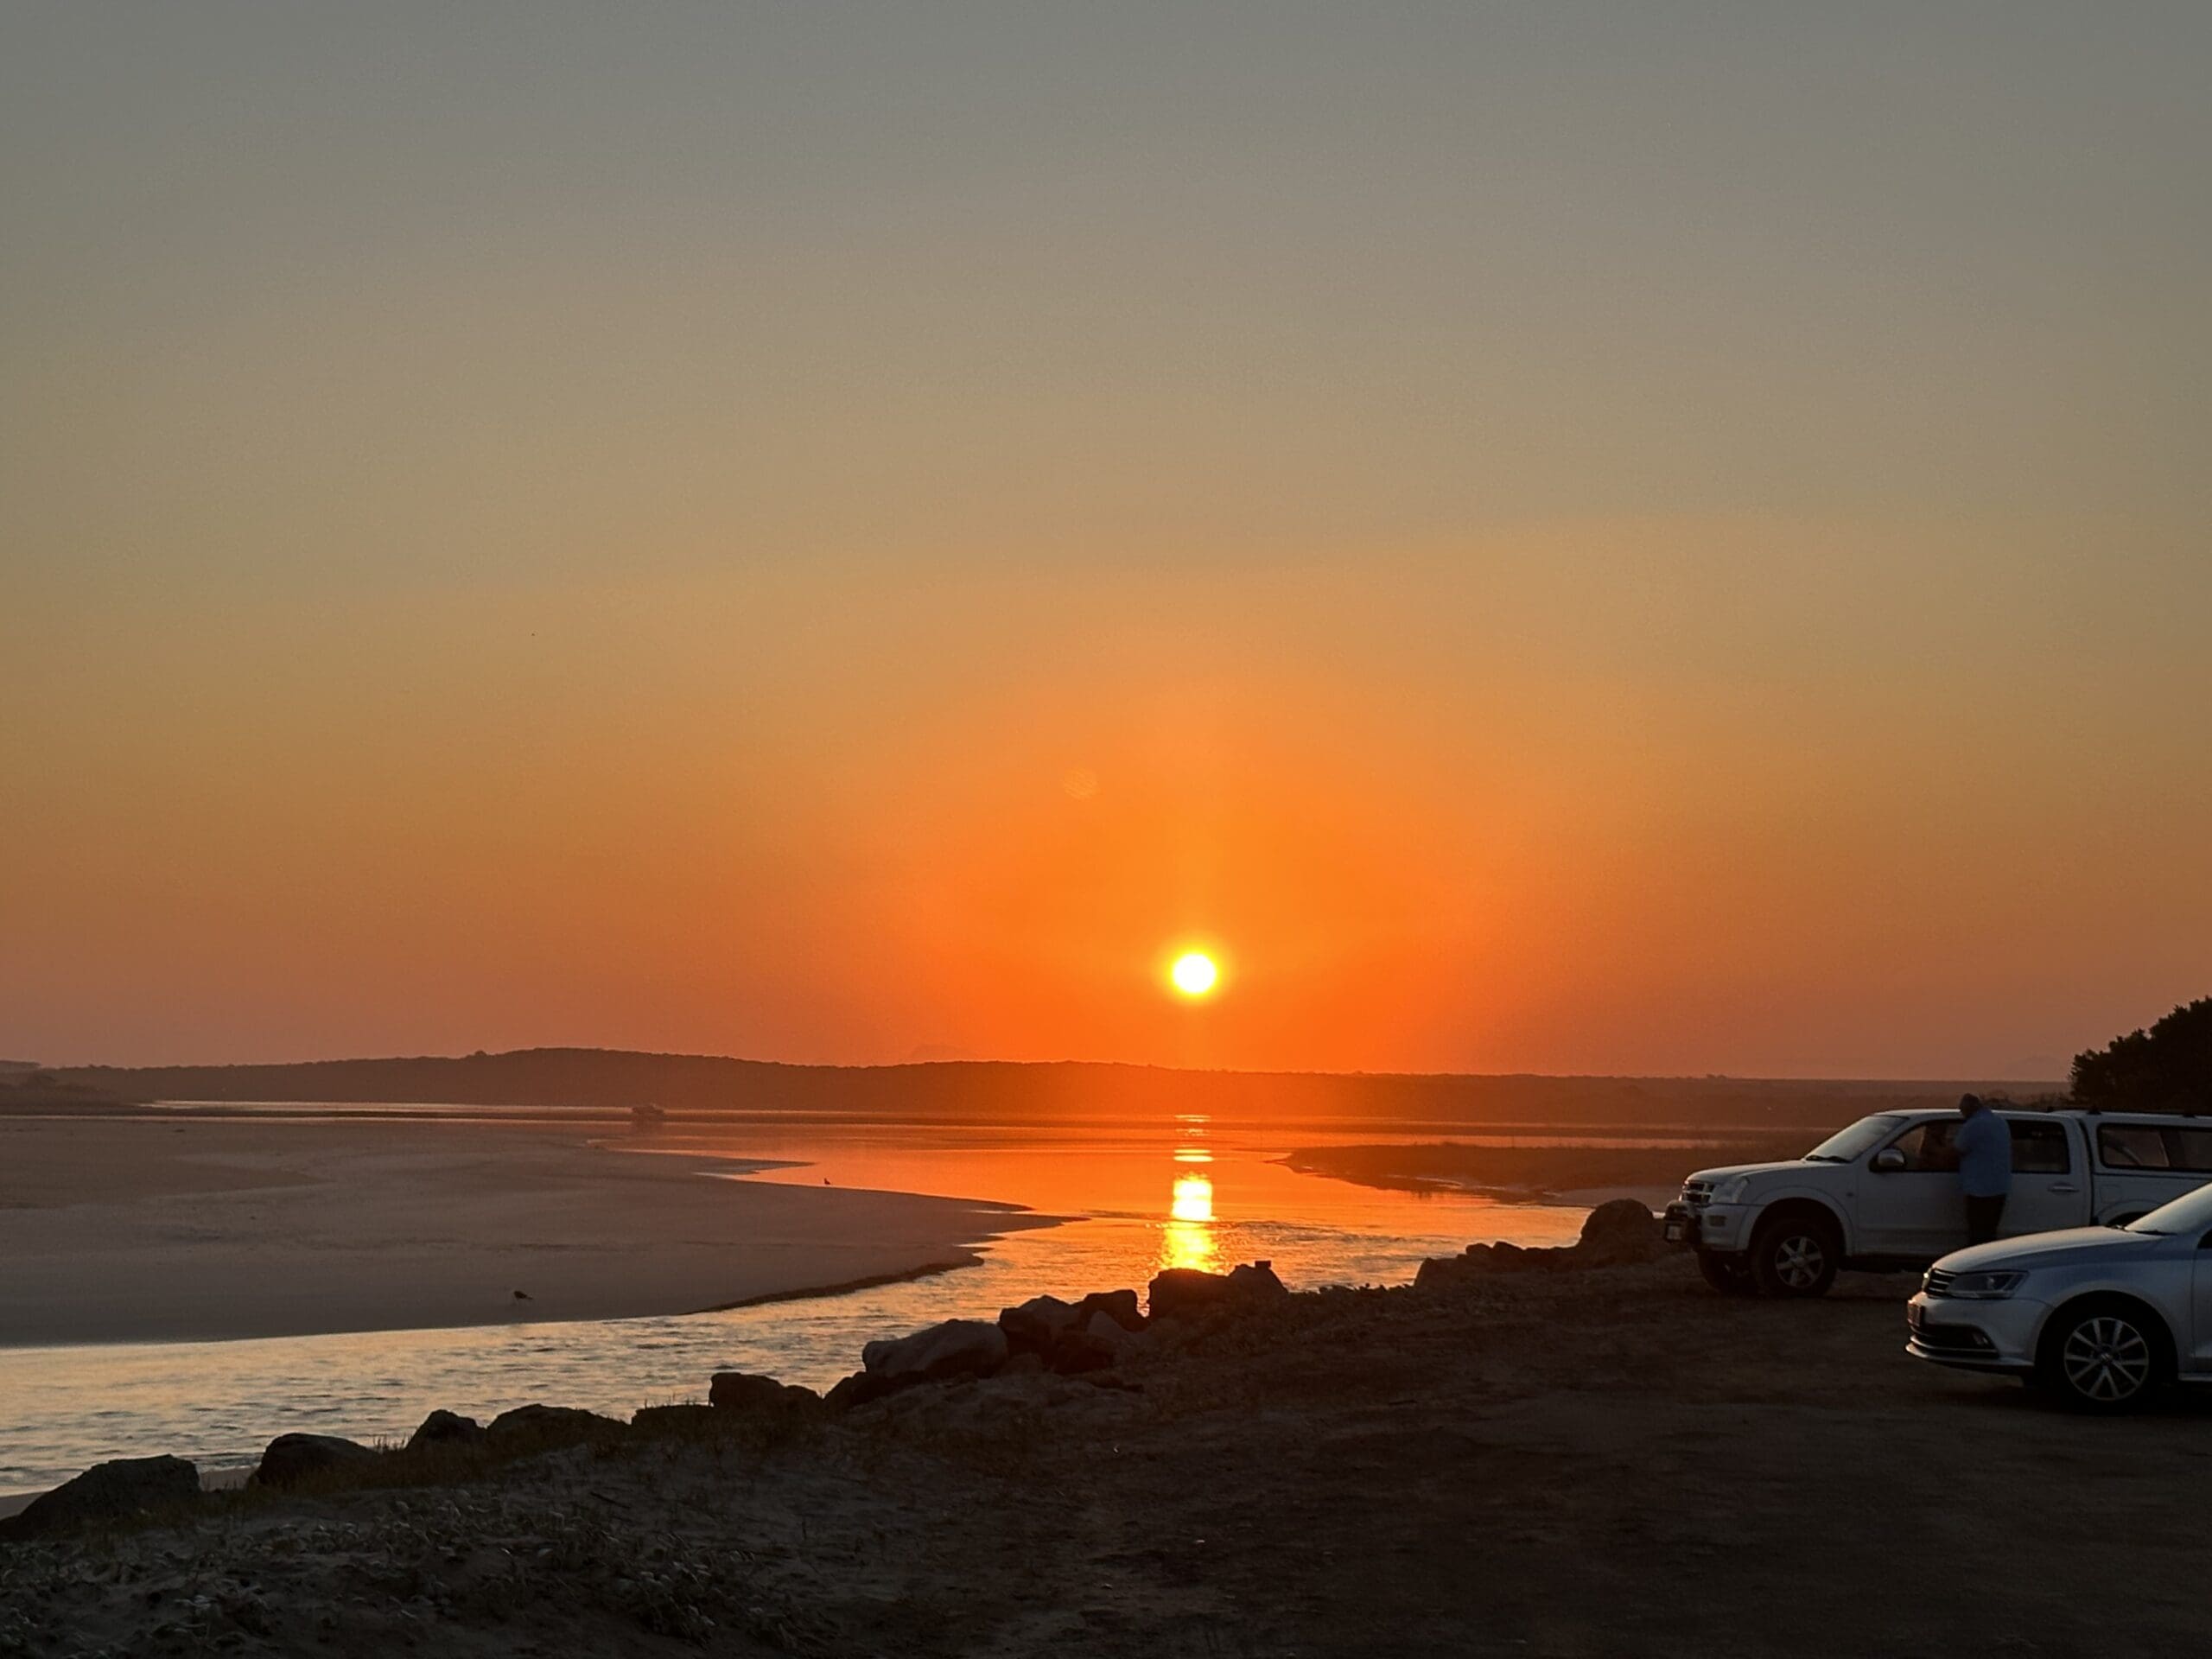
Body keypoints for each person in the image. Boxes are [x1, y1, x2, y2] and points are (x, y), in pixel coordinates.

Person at [1955, 1093, 2012, 1245]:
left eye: (1962, 1111)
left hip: (1979, 1189)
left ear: (1969, 1109)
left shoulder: (1974, 1125)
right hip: (1999, 1187)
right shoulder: (2000, 1122)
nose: (1962, 1114)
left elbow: (1957, 1150)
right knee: (1989, 1232)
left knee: (1977, 1233)